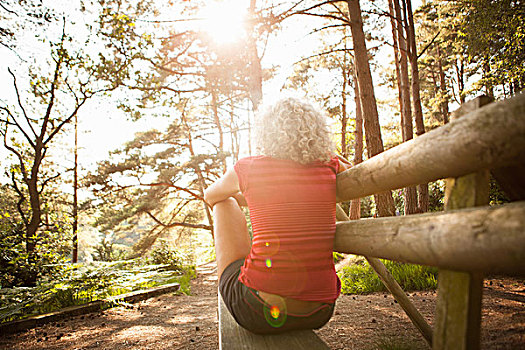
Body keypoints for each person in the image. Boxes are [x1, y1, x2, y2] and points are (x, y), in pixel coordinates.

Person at [204, 97, 348, 334]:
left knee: (224, 202)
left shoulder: (248, 168)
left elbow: (210, 196)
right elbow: (351, 171)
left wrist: (244, 194)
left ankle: (255, 272)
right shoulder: (328, 165)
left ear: (267, 131)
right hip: (320, 311)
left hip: (258, 311)